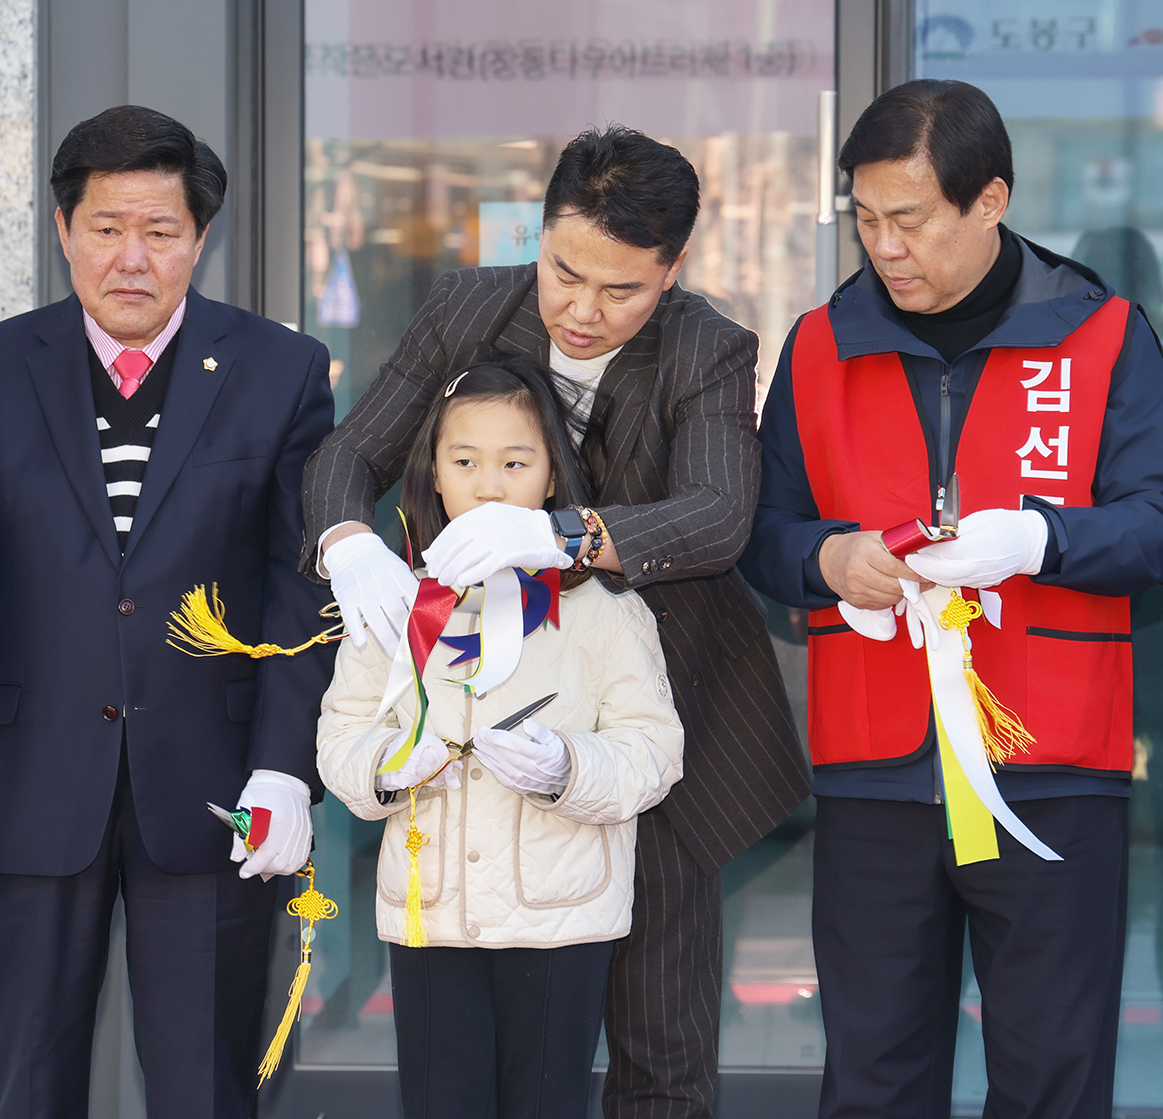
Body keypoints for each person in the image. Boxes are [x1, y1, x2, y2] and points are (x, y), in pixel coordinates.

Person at [303, 125, 807, 1119]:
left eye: (621, 290)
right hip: (472, 734)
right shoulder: (467, 307)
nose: (582, 309)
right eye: (564, 272)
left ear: (671, 270)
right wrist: (343, 543)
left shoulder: (708, 347)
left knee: (660, 1040)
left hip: (653, 727)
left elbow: (716, 517)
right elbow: (347, 451)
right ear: (540, 234)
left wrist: (556, 535)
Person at [740, 78, 1163, 1118]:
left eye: (909, 219)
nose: (884, 247)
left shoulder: (1101, 334)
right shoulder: (818, 345)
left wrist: (1040, 535)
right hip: (873, 768)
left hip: (1052, 762)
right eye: (864, 220)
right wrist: (829, 561)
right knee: (873, 1073)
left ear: (989, 201)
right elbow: (761, 537)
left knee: (1051, 1075)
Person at [0, 105, 336, 1119]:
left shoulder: (281, 370)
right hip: (25, 783)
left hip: (215, 791)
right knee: (26, 1084)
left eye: (160, 231)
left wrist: (283, 763)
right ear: (62, 229)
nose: (130, 257)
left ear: (199, 238)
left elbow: (297, 584)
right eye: (104, 228)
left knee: (203, 1088)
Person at [318, 356, 684, 1119]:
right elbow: (342, 736)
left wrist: (567, 765)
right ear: (434, 477)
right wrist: (390, 767)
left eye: (516, 462)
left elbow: (654, 750)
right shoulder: (397, 603)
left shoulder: (602, 610)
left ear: (552, 479)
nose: (490, 484)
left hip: (561, 920)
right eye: (465, 461)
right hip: (432, 916)